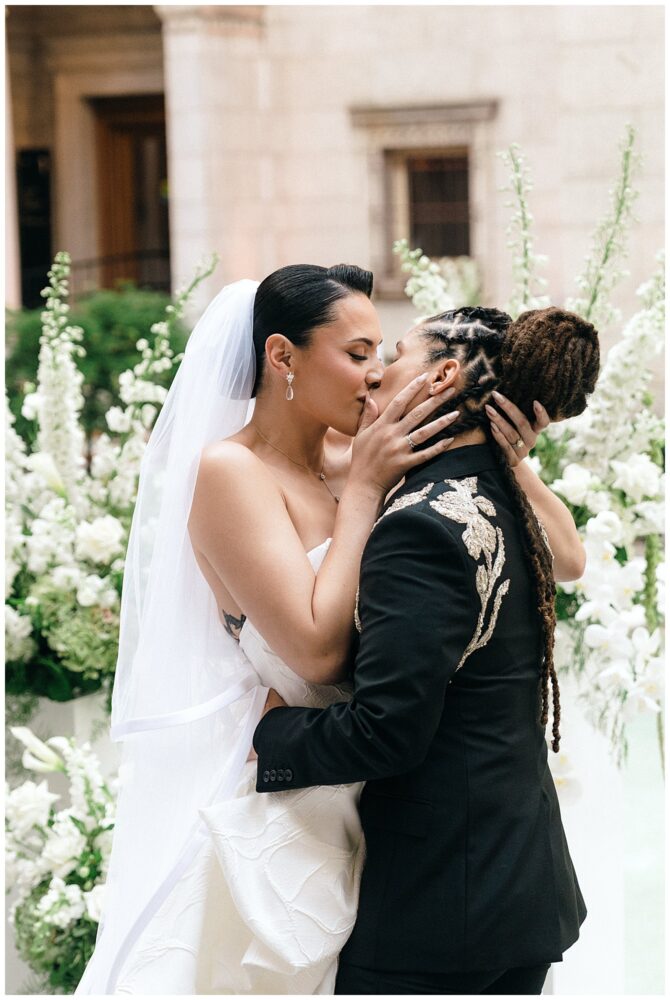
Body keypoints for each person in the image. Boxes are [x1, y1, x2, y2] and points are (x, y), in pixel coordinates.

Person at [76, 268, 584, 994]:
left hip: (389, 790)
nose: (375, 373)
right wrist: (367, 491)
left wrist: (509, 459)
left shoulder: (365, 452)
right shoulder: (233, 471)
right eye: (357, 353)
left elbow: (566, 560)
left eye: (383, 351)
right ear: (283, 358)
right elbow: (317, 654)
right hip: (296, 796)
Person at [253, 305, 600, 996]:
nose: (376, 374)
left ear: (441, 376)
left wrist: (271, 732)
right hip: (514, 886)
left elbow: (387, 732)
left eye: (394, 355)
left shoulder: (419, 526)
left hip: (439, 909)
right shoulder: (504, 495)